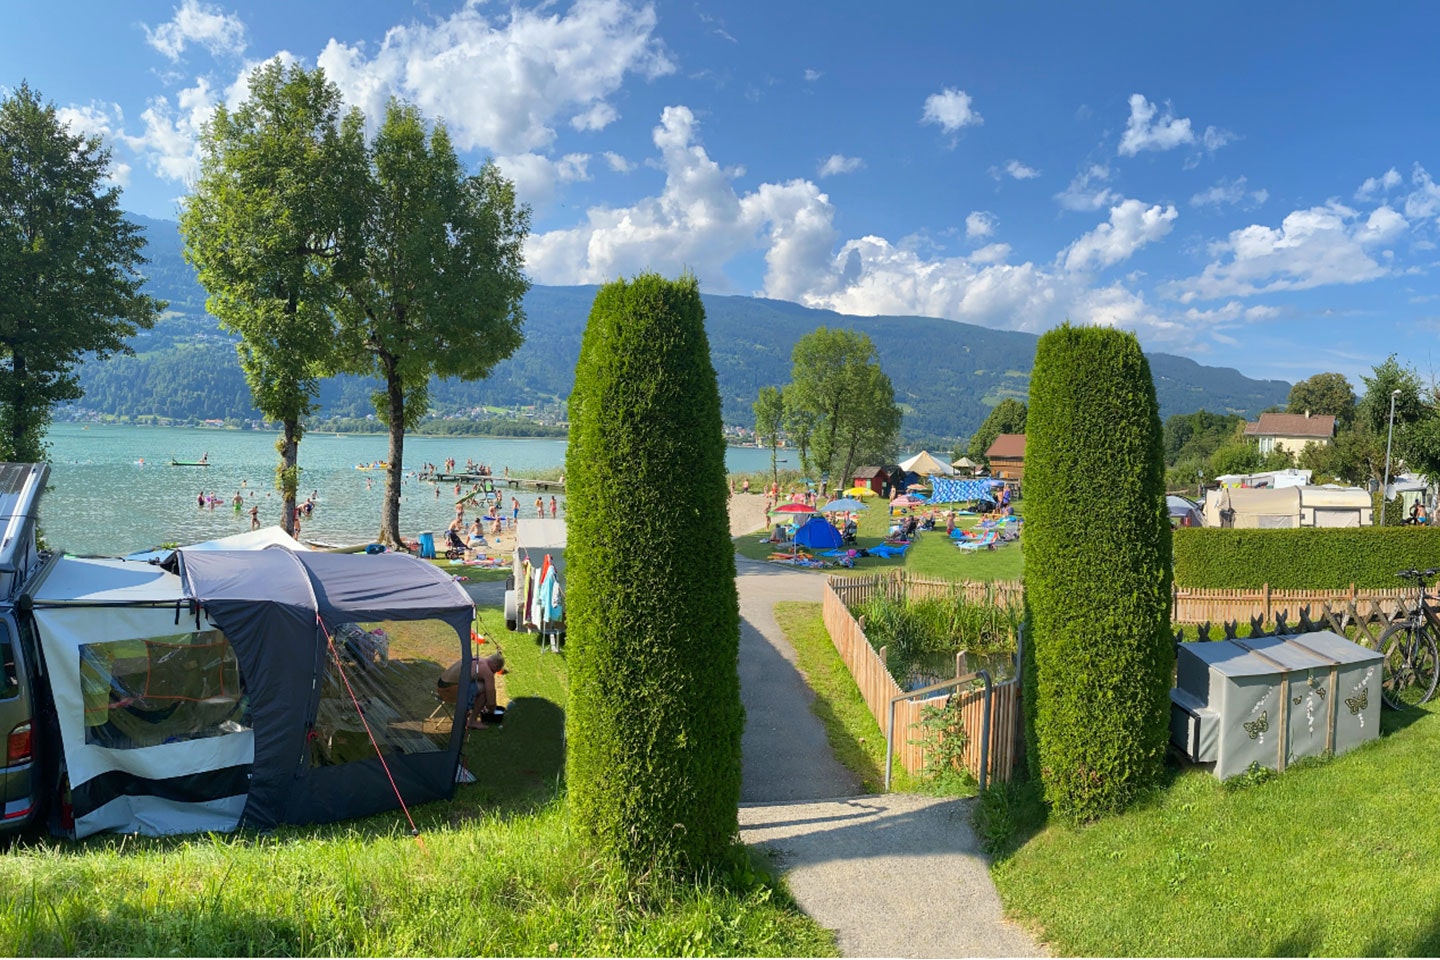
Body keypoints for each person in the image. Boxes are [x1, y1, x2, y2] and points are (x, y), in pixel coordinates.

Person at [435, 652, 505, 729]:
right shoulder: (486, 670)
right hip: (448, 692)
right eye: (495, 671)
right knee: (485, 690)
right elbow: (491, 696)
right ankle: (471, 721)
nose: (493, 674)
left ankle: (472, 708)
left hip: (441, 686)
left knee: (479, 685)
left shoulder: (478, 659)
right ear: (495, 665)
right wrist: (492, 710)